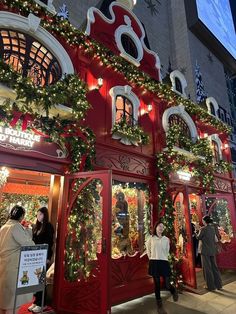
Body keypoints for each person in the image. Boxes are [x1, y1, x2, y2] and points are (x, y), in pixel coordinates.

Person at [0, 205, 35, 314]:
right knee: (13, 301)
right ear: (21, 216)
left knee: (3, 298)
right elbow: (29, 244)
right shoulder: (15, 227)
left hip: (3, 264)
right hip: (13, 266)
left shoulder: (3, 227)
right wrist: (28, 230)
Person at [146, 221, 178, 314]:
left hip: (164, 262)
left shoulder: (166, 239)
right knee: (157, 284)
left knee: (167, 284)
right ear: (155, 227)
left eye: (162, 227)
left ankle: (173, 291)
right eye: (159, 226)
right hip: (154, 262)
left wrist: (163, 257)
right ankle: (159, 302)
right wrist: (151, 258)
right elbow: (148, 250)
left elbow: (167, 251)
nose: (161, 228)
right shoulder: (151, 238)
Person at [28, 207, 54, 313]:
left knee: (41, 280)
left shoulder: (48, 226)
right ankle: (36, 301)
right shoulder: (36, 226)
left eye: (40, 214)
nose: (38, 216)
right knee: (35, 278)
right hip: (35, 256)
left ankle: (42, 303)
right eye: (37, 214)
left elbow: (50, 242)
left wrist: (48, 257)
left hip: (43, 255)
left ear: (45, 215)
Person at [197, 215, 222, 291]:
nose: (202, 221)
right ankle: (219, 285)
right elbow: (217, 238)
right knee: (215, 267)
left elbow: (198, 237)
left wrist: (196, 231)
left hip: (205, 251)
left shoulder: (203, 229)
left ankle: (210, 286)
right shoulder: (213, 228)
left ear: (205, 221)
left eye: (203, 220)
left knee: (207, 269)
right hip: (212, 250)